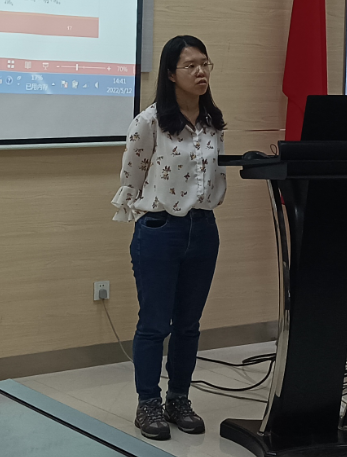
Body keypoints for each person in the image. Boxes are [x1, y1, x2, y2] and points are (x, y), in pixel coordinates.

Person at [111, 35, 225, 440]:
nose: (200, 72)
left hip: (204, 228)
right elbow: (132, 175)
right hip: (160, 230)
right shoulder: (149, 121)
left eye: (205, 64)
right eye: (191, 66)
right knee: (155, 323)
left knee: (189, 324)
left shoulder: (212, 121)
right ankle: (148, 403)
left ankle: (179, 399)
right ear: (171, 74)